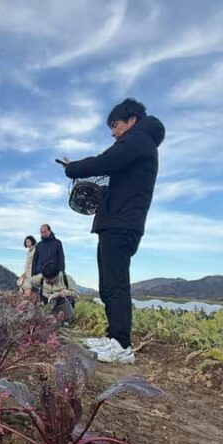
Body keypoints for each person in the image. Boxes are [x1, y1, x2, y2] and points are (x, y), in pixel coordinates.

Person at [62, 98, 165, 364]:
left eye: (115, 125)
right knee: (108, 284)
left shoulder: (138, 140)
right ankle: (113, 337)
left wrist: (72, 169)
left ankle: (122, 345)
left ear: (132, 120)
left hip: (121, 223)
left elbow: (104, 161)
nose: (113, 132)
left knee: (116, 284)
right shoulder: (139, 144)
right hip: (116, 222)